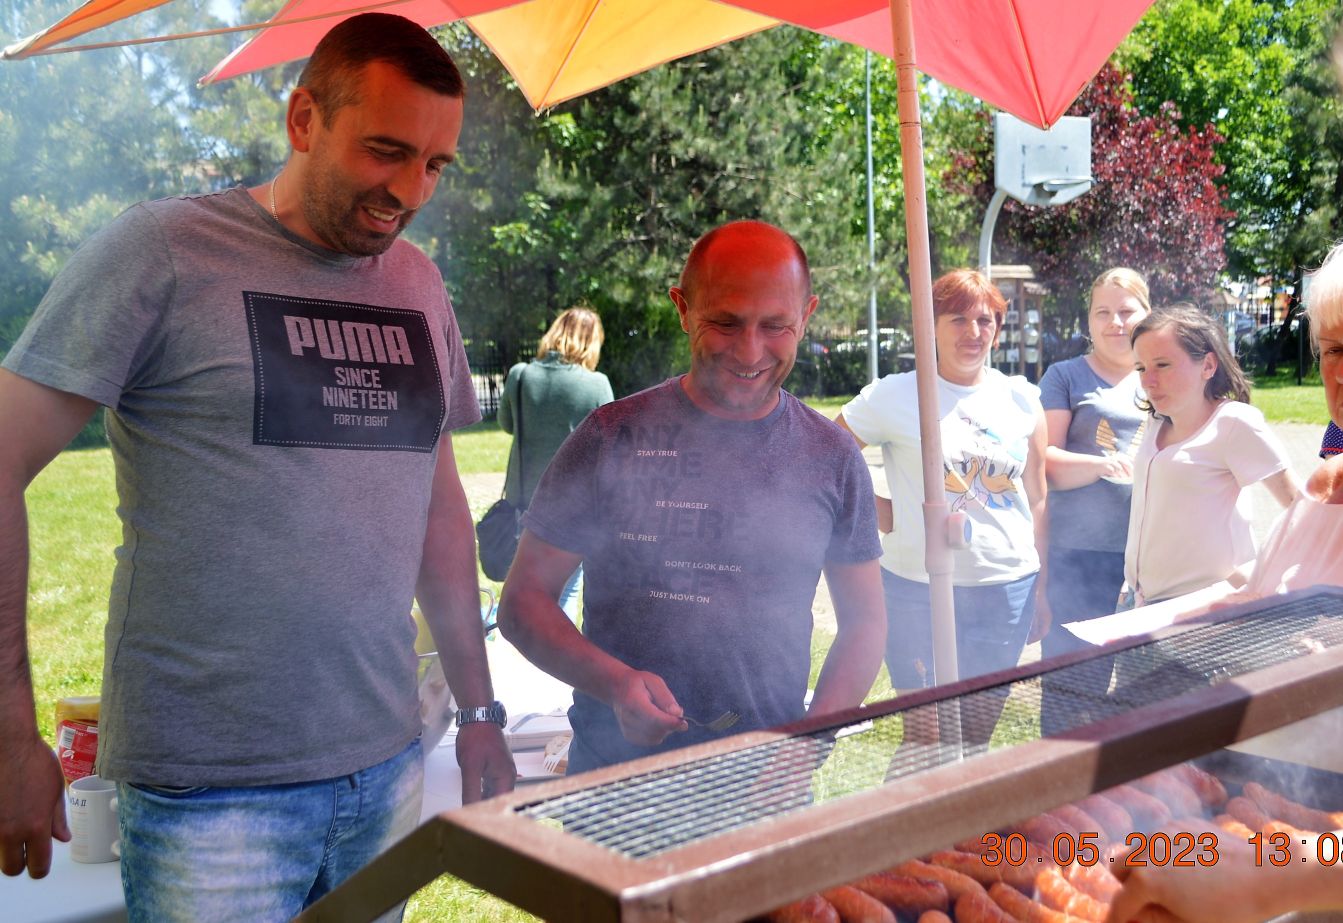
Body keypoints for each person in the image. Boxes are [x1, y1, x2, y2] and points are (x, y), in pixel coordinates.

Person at [0, 13, 514, 919]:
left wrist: (477, 712)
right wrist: (8, 735)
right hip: (210, 794)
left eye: (436, 164)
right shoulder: (163, 250)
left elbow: (436, 510)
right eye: (386, 151)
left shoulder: (418, 285)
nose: (410, 191)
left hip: (385, 764)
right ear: (303, 118)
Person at [497, 220, 886, 774]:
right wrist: (615, 683)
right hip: (615, 779)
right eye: (725, 322)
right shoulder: (610, 437)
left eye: (775, 326)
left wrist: (811, 739)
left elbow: (865, 623)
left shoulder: (832, 456)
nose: (750, 350)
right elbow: (523, 602)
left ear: (806, 316)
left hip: (766, 774)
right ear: (683, 308)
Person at [1103, 243, 1343, 923]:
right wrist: (1234, 615)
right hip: (1276, 804)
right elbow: (1271, 601)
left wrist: (1276, 878)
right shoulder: (1322, 494)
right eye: (1333, 348)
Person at [836, 269, 1048, 743]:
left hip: (1005, 589)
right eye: (957, 319)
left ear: (998, 329)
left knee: (974, 736)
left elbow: (1037, 498)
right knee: (925, 736)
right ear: (929, 326)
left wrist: (1043, 587)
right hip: (915, 588)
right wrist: (883, 514)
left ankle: (961, 797)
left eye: (985, 320)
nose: (973, 332)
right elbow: (827, 458)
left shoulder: (1021, 399)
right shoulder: (895, 394)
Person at [1122, 306, 1299, 608]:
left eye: (1162, 365)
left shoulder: (1233, 423)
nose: (1148, 381)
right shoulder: (1156, 422)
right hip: (1138, 601)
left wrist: (1267, 573)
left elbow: (1299, 506)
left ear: (1207, 365)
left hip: (1204, 611)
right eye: (1140, 368)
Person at [1036, 269, 1150, 734]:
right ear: (1089, 320)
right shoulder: (1065, 376)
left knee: (1145, 699)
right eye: (1103, 312)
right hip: (1077, 560)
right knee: (1071, 697)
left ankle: (1125, 777)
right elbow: (1045, 462)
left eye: (1126, 311)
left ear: (1147, 313)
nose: (1115, 322)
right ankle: (1059, 777)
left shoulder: (1162, 374)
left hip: (1149, 563)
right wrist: (1104, 465)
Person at [497, 307, 614, 620]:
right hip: (573, 507)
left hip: (523, 504)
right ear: (591, 342)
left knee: (524, 589)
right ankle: (548, 647)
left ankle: (526, 638)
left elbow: (507, 424)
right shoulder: (596, 384)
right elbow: (610, 447)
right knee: (566, 592)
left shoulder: (520, 375)